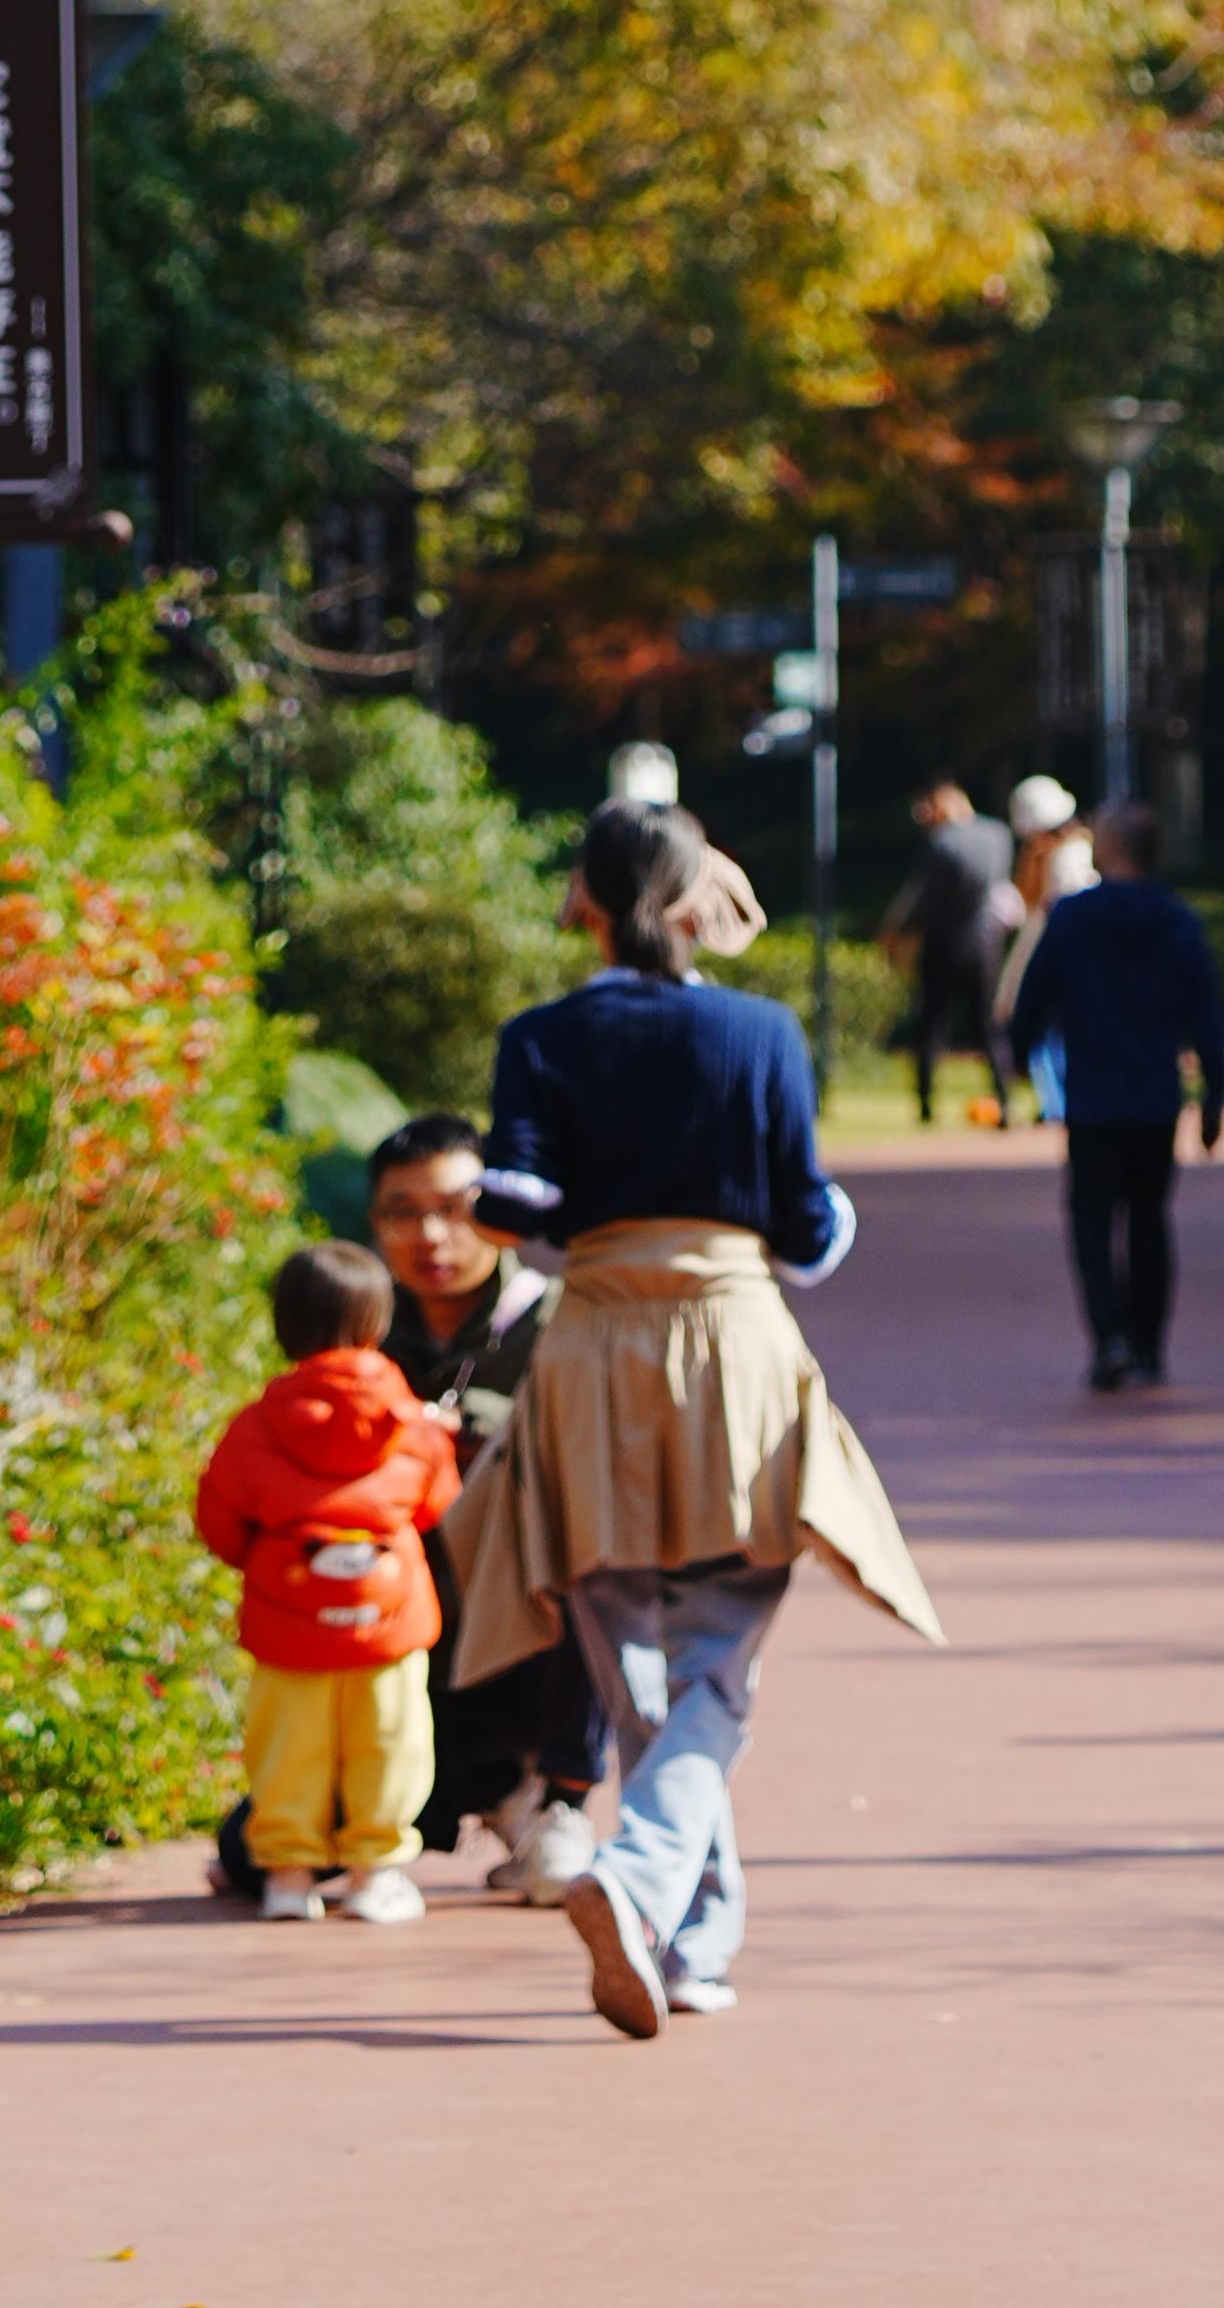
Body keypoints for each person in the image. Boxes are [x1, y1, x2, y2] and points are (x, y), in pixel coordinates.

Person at [449, 797, 945, 2035]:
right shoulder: (759, 1029)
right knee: (719, 1654)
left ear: (587, 903)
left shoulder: (541, 1036)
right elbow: (806, 1227)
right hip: (733, 1349)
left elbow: (511, 1201)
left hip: (594, 1350)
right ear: (688, 899)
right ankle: (656, 1899)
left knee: (630, 1667)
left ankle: (679, 1930)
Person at [368, 1110, 608, 1893]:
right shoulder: (357, 1335)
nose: (430, 1237)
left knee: (599, 1557)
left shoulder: (558, 1321)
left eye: (454, 1208)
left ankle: (557, 1799)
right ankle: (495, 1795)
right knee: (251, 1854)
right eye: (403, 1213)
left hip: (528, 1618)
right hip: (404, 1638)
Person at [189, 1233, 459, 1926]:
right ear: (377, 1323)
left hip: (289, 1622)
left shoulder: (257, 1425)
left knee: (288, 1750)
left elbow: (220, 1516)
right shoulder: (411, 1423)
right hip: (388, 1622)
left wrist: (265, 1561)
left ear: (284, 1327)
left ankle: (287, 1877)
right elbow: (437, 1505)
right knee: (390, 1745)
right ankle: (375, 1874)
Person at [1002, 801, 1224, 1390]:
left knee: (1091, 1217)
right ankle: (1148, 1344)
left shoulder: (1075, 918)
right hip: (1155, 1092)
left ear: (1111, 848)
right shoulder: (1178, 920)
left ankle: (1108, 1337)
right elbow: (1207, 1011)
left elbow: (1034, 997)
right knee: (1150, 1218)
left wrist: (1017, 1055)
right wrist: (1214, 1094)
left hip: (1094, 1093)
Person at [881, 781, 1017, 1128]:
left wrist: (899, 930)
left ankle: (926, 1105)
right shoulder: (998, 834)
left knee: (931, 1025)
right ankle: (1004, 1098)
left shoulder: (942, 842)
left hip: (944, 942)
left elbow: (924, 897)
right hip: (987, 943)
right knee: (988, 1027)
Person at [989, 774, 1094, 1113]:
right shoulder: (1049, 855)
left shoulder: (1070, 857)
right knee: (1047, 1034)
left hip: (1059, 960)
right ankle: (1053, 1104)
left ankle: (1057, 1105)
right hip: (1048, 955)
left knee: (1051, 1035)